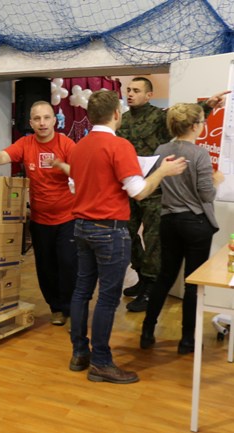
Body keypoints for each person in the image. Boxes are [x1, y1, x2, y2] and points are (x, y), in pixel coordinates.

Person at [68, 90, 187, 384]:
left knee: (82, 292)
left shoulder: (78, 147)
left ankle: (80, 353)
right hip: (109, 230)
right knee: (108, 298)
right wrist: (163, 172)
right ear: (117, 114)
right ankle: (101, 363)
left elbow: (74, 187)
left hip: (82, 226)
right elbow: (139, 191)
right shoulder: (119, 146)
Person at [117, 77, 228, 313]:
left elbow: (185, 120)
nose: (130, 94)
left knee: (154, 240)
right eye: (128, 89)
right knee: (128, 234)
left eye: (136, 90)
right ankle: (141, 276)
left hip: (156, 192)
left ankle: (150, 287)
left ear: (148, 95)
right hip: (131, 187)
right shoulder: (123, 120)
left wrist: (208, 105)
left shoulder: (159, 117)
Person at [0, 101, 77, 327]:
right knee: (45, 267)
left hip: (68, 218)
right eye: (37, 118)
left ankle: (71, 306)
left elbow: (82, 171)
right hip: (40, 220)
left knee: (68, 264)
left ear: (55, 120)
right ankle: (56, 308)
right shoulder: (25, 143)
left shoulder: (66, 144)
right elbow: (3, 156)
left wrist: (63, 166)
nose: (42, 122)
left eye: (46, 117)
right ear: (31, 122)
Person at [140, 103, 224, 354]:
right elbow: (206, 194)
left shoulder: (161, 149)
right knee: (192, 283)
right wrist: (216, 180)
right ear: (195, 126)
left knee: (165, 276)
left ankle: (147, 331)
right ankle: (187, 340)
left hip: (169, 222)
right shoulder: (199, 154)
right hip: (195, 224)